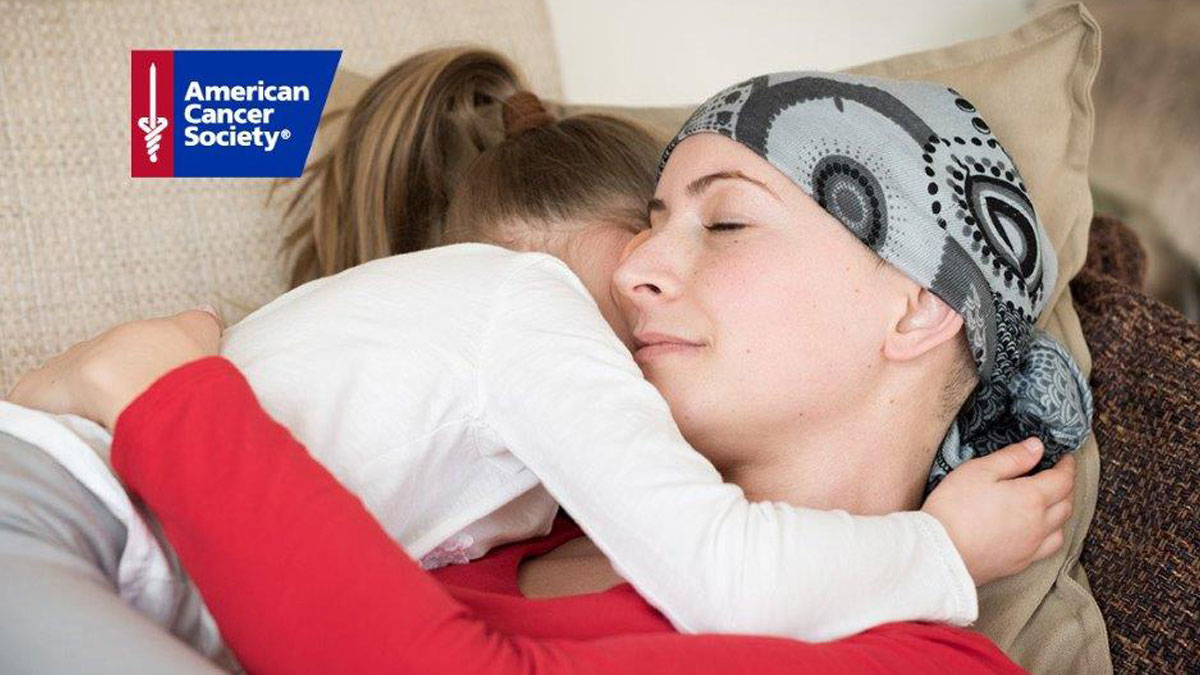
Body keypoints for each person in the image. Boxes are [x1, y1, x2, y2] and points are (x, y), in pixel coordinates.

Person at [5, 56, 1092, 673]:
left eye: (725, 227)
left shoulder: (921, 665)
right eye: (651, 220)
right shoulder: (525, 496)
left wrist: (162, 392)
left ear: (915, 307)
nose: (638, 274)